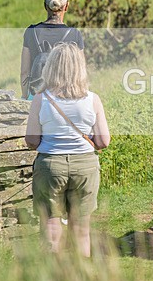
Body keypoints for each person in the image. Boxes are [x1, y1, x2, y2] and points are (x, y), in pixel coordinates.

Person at [25, 43, 111, 257]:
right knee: (81, 229)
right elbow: (103, 141)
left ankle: (53, 278)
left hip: (50, 166)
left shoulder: (41, 99)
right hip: (85, 166)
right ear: (80, 68)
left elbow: (32, 140)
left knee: (51, 226)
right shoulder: (93, 99)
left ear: (50, 68)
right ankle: (81, 278)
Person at [21, 0, 85, 101]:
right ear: (66, 6)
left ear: (45, 5)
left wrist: (25, 98)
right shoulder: (74, 34)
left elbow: (24, 72)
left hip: (36, 97)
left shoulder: (31, 31)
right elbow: (80, 73)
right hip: (65, 97)